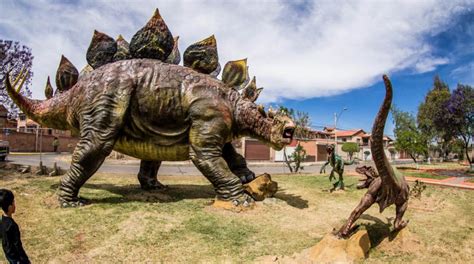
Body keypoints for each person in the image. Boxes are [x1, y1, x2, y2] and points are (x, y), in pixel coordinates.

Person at [0, 189, 30, 264]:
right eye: (13, 202)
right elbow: (18, 245)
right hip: (17, 259)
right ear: (10, 207)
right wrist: (25, 260)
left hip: (8, 254)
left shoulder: (2, 221)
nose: (15, 205)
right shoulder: (12, 225)